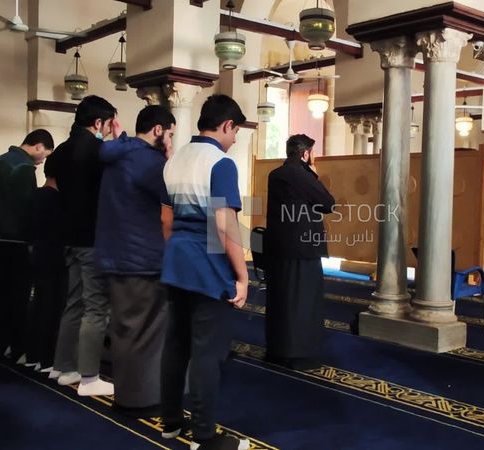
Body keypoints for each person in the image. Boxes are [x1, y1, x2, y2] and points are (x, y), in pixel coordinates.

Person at [160, 94, 250, 450]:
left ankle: (170, 423)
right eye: (235, 134)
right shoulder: (220, 163)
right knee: (207, 353)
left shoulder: (174, 160)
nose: (233, 141)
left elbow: (166, 220)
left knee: (176, 345)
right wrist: (242, 276)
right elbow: (224, 223)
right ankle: (204, 436)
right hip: (207, 263)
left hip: (177, 260)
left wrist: (177, 253)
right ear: (227, 125)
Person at [94, 105, 175, 417]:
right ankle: (140, 399)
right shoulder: (149, 160)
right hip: (141, 255)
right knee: (146, 331)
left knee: (126, 328)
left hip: (113, 252)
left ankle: (130, 394)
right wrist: (168, 158)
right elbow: (174, 195)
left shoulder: (118, 151)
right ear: (157, 130)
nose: (169, 139)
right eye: (168, 133)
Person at [50, 95, 122, 396]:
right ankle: (90, 378)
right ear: (99, 123)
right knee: (96, 309)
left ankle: (64, 368)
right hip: (91, 239)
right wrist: (119, 138)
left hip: (67, 237)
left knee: (74, 303)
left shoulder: (62, 151)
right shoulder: (98, 150)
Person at [264, 134, 335, 370]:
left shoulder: (276, 175)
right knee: (302, 303)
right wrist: (313, 173)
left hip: (278, 247)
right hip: (303, 250)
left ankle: (278, 349)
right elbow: (327, 202)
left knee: (281, 300)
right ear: (306, 154)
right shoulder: (301, 174)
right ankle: (299, 354)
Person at [0, 129, 54, 361]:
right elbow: (27, 210)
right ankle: (18, 347)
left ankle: (1, 343)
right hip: (17, 241)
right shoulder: (24, 168)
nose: (43, 159)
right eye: (45, 154)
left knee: (3, 291)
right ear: (39, 146)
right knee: (19, 295)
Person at [24, 154, 66, 373]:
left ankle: (33, 355)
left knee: (40, 305)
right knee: (52, 308)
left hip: (38, 255)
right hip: (54, 258)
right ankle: (48, 359)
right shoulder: (57, 199)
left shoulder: (38, 195)